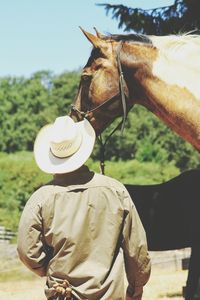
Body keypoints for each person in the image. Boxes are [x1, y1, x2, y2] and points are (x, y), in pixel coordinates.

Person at [17, 115, 151, 300]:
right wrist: (135, 289)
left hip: (63, 294)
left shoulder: (40, 199)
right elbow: (136, 249)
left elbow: (28, 252)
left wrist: (50, 269)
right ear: (82, 149)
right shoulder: (116, 191)